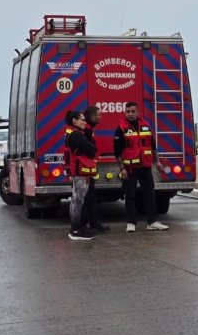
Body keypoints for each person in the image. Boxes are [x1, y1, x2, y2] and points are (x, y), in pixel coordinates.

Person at [114, 102, 169, 233]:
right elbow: (117, 151)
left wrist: (158, 162)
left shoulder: (145, 125)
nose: (130, 114)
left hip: (145, 166)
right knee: (130, 195)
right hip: (130, 168)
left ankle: (152, 222)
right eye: (128, 111)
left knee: (150, 194)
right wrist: (121, 168)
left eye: (133, 111)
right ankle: (131, 222)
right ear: (125, 113)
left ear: (137, 112)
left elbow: (153, 145)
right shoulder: (121, 128)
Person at [65, 111, 97, 240]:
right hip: (79, 172)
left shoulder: (73, 133)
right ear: (74, 121)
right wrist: (91, 145)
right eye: (82, 120)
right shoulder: (76, 135)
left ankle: (77, 228)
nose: (85, 122)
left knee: (77, 201)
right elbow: (91, 151)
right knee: (78, 201)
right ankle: (76, 231)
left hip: (78, 171)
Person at [82, 105, 109, 233]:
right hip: (85, 171)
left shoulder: (88, 129)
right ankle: (89, 225)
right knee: (88, 198)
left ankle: (92, 224)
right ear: (92, 116)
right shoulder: (87, 131)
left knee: (90, 197)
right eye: (99, 115)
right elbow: (88, 150)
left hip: (87, 170)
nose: (101, 117)